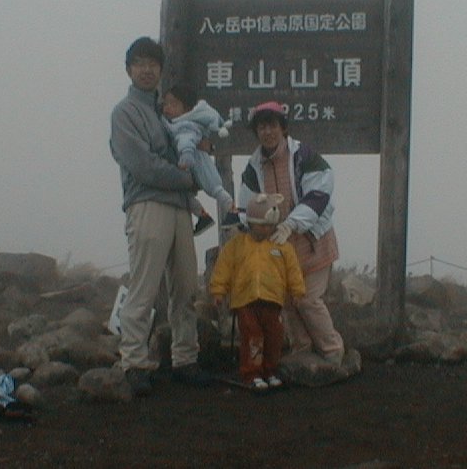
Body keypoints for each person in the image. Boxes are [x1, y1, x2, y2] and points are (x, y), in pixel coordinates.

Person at [109, 36, 211, 396]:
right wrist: (189, 178)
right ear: (129, 70)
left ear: (161, 70)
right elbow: (143, 167)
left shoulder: (168, 111)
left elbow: (195, 148)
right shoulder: (125, 113)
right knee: (144, 287)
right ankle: (134, 363)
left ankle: (186, 359)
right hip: (147, 204)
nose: (147, 69)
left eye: (153, 63)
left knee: (185, 287)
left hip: (181, 208)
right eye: (139, 63)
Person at [238, 101, 345, 366]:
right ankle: (303, 352)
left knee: (307, 299)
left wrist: (291, 224)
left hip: (312, 241)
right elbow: (245, 207)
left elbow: (319, 195)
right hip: (278, 248)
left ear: (283, 128)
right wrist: (254, 230)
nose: (267, 132)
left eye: (272, 125)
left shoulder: (305, 157)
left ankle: (332, 351)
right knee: (287, 301)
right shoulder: (253, 168)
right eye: (261, 127)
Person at [209, 193, 305, 390]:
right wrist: (218, 291)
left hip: (273, 300)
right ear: (251, 223)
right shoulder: (236, 246)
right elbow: (223, 268)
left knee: (274, 336)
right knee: (253, 337)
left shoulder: (282, 247)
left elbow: (293, 270)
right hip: (245, 301)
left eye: (271, 225)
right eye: (263, 225)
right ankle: (252, 373)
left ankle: (270, 370)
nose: (268, 229)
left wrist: (297, 292)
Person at [162, 84, 240, 231]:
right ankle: (203, 216)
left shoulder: (184, 125)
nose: (167, 108)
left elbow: (186, 141)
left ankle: (232, 211)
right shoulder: (181, 123)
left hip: (197, 163)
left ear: (186, 108)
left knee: (215, 188)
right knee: (185, 193)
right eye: (165, 104)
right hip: (193, 167)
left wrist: (186, 158)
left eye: (173, 104)